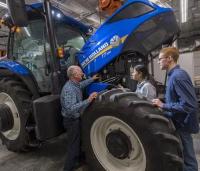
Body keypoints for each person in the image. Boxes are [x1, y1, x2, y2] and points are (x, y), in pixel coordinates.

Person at [152, 47, 199, 171]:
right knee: (182, 157)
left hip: (182, 125)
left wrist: (163, 106)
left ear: (169, 59)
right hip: (178, 123)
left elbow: (189, 104)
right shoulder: (173, 76)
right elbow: (177, 100)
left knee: (189, 161)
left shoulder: (178, 76)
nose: (158, 62)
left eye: (160, 59)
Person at [60, 65, 98, 171]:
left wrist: (92, 79)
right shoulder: (69, 89)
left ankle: (79, 160)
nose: (82, 73)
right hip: (71, 121)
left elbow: (81, 85)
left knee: (79, 142)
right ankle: (68, 168)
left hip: (76, 119)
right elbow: (70, 109)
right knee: (73, 146)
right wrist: (89, 100)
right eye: (80, 72)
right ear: (75, 75)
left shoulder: (75, 84)